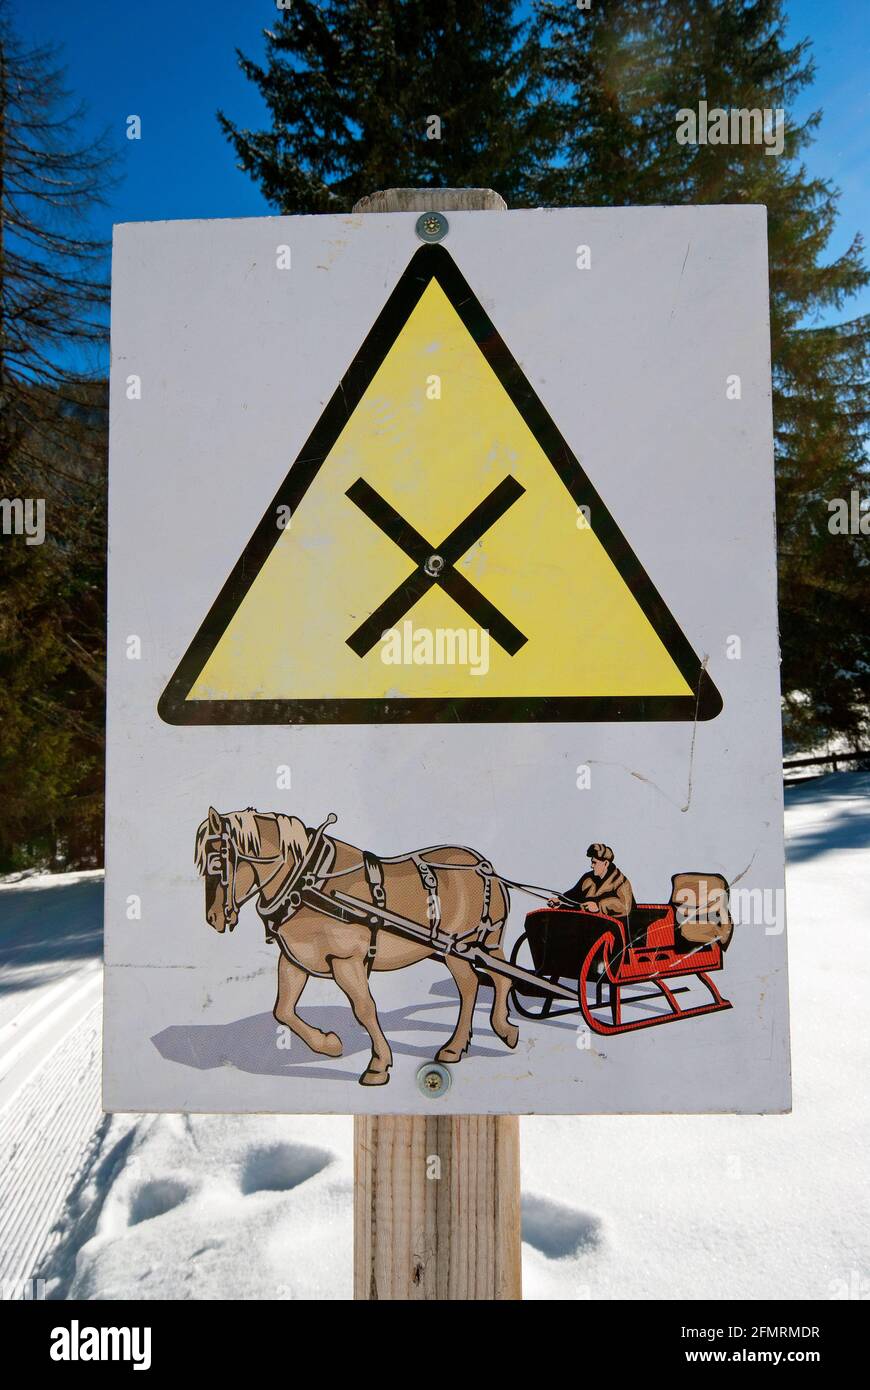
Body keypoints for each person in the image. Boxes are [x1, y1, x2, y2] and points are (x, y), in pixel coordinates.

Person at [548, 843, 635, 918]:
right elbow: (573, 894)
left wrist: (598, 906)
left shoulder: (621, 882)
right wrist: (559, 901)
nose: (592, 866)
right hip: (587, 924)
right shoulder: (588, 878)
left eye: (594, 862)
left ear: (606, 863)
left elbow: (625, 907)